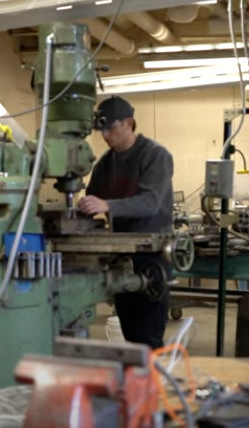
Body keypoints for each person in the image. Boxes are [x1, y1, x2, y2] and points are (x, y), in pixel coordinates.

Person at [79, 96, 174, 349]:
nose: (106, 135)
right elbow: (92, 196)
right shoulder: (105, 164)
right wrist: (81, 208)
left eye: (110, 128)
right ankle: (136, 386)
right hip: (121, 258)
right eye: (102, 130)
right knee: (130, 337)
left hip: (151, 258)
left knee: (148, 339)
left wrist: (108, 205)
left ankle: (153, 387)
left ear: (129, 123)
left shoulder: (155, 156)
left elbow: (151, 202)